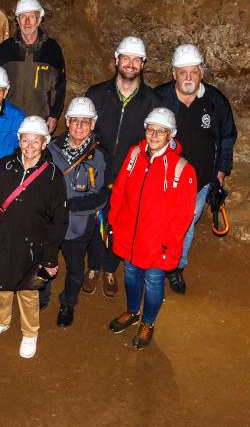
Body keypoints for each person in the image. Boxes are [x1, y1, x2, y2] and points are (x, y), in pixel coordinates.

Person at [107, 108, 196, 350]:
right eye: (150, 129)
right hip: (130, 234)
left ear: (171, 134)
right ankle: (132, 311)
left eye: (161, 131)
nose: (154, 135)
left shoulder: (182, 169)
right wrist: (114, 220)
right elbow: (120, 190)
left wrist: (170, 243)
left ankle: (148, 322)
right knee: (131, 274)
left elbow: (184, 214)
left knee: (154, 281)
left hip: (158, 241)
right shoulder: (135, 154)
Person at [0, 116, 68, 359]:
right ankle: (1, 320)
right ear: (19, 140)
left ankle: (30, 332)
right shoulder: (4, 165)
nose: (30, 146)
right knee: (3, 285)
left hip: (34, 247)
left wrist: (50, 258)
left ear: (45, 143)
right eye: (25, 140)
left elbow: (59, 220)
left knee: (29, 292)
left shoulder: (53, 176)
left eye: (35, 141)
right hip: (3, 240)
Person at [155, 44, 237, 294]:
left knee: (185, 227)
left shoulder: (214, 100)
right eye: (182, 72)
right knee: (159, 222)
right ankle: (156, 263)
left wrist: (221, 171)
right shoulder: (159, 99)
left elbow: (227, 136)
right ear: (173, 74)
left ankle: (176, 267)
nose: (188, 77)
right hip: (164, 178)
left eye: (193, 72)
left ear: (201, 72)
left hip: (199, 182)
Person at [83, 36, 161, 299]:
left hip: (131, 173)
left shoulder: (152, 101)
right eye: (125, 58)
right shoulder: (96, 94)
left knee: (122, 223)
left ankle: (109, 268)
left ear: (142, 64)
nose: (130, 64)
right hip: (98, 169)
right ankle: (93, 266)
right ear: (116, 60)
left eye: (136, 60)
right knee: (96, 219)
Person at [44, 97, 109, 326]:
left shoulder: (100, 156)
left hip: (79, 224)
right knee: (45, 258)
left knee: (75, 266)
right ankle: (42, 294)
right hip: (51, 221)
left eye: (85, 122)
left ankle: (68, 303)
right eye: (75, 121)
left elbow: (101, 196)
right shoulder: (50, 149)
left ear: (93, 124)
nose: (79, 127)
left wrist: (71, 207)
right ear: (67, 122)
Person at [0, 0, 66, 132]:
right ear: (17, 20)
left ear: (39, 19)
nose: (27, 22)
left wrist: (54, 115)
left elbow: (59, 87)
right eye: (23, 16)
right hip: (8, 121)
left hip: (39, 121)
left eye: (31, 16)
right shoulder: (5, 50)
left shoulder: (52, 49)